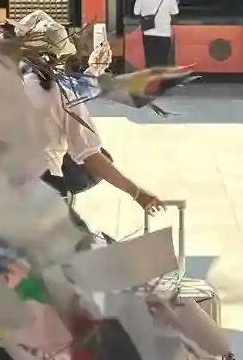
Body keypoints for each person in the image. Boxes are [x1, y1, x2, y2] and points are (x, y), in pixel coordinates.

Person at [13, 11, 164, 213]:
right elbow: (90, 155)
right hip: (42, 184)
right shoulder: (59, 93)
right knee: (95, 155)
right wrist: (137, 193)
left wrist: (94, 70)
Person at [132, 0, 180, 69]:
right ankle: (161, 77)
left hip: (148, 32)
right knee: (163, 62)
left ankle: (150, 77)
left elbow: (136, 12)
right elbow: (175, 12)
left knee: (150, 61)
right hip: (164, 33)